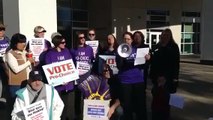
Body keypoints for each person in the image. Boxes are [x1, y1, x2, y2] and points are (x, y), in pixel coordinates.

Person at [116, 32, 150, 120]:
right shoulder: (120, 50)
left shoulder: (137, 50)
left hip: (138, 80)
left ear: (132, 40)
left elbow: (143, 66)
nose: (126, 41)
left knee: (140, 105)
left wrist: (147, 60)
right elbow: (119, 66)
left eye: (128, 39)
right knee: (127, 106)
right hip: (125, 81)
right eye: (125, 39)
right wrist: (122, 57)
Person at [149, 28, 180, 120]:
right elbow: (153, 62)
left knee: (165, 102)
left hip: (168, 78)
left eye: (167, 35)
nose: (165, 37)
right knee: (156, 101)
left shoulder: (174, 47)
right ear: (161, 36)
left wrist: (173, 78)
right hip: (156, 78)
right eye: (163, 35)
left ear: (170, 37)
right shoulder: (156, 46)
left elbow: (175, 64)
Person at [44, 35, 75, 120]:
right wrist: (60, 80)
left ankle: (64, 118)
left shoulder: (66, 51)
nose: (64, 44)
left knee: (65, 104)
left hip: (67, 84)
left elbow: (70, 65)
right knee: (56, 105)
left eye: (65, 42)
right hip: (57, 85)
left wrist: (68, 78)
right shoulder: (49, 54)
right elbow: (49, 69)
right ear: (57, 43)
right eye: (62, 42)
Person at [70, 32, 94, 120]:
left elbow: (91, 60)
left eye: (83, 37)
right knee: (77, 97)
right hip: (77, 77)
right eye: (80, 38)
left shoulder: (89, 49)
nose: (82, 39)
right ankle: (77, 115)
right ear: (77, 39)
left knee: (87, 96)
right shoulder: (73, 50)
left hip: (87, 76)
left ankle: (86, 114)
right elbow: (71, 63)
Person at [5, 33, 34, 98]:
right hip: (16, 84)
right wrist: (29, 62)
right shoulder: (10, 54)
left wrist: (32, 60)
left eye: (24, 42)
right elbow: (16, 69)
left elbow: (29, 67)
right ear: (15, 43)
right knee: (16, 103)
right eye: (20, 42)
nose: (23, 44)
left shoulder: (25, 52)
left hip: (27, 82)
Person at [0, 24, 10, 100]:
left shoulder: (7, 39)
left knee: (6, 80)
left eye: (2, 30)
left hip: (6, 62)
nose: (1, 31)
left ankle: (4, 96)